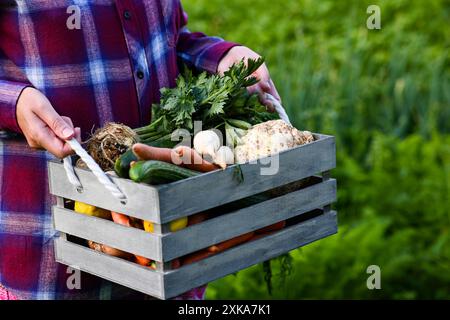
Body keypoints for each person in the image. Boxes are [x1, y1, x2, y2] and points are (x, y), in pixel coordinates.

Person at [0, 1, 281, 300]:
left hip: (167, 243)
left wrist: (221, 55)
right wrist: (13, 102)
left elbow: (172, 38)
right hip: (49, 249)